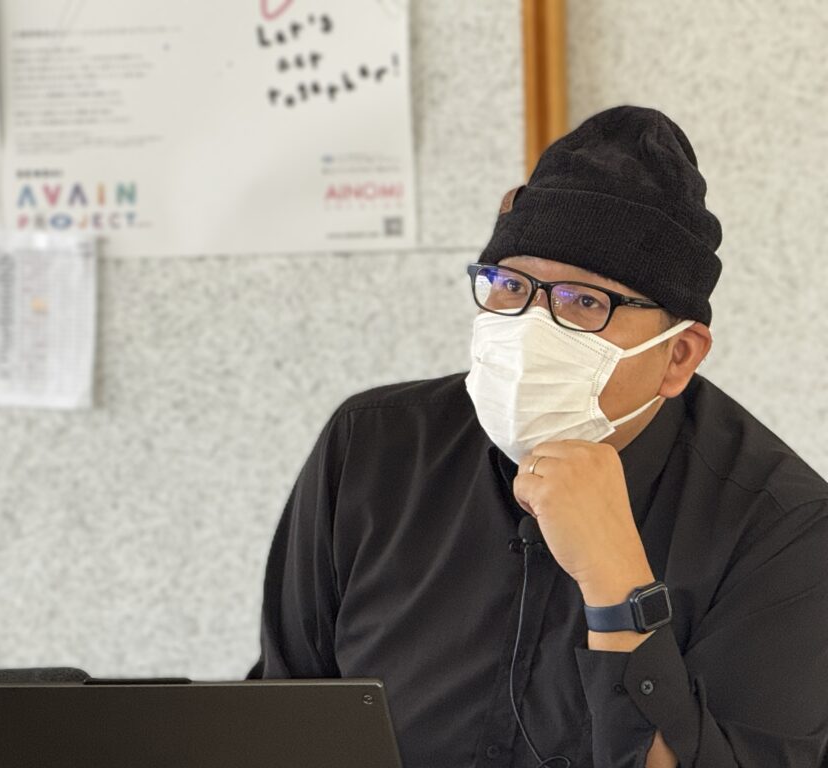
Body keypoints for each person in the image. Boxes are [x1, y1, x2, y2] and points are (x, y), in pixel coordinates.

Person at [248, 106, 828, 767]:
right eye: (510, 285)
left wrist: (616, 580)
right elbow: (284, 715)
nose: (531, 327)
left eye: (585, 301)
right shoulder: (372, 448)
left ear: (678, 356)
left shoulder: (783, 528)